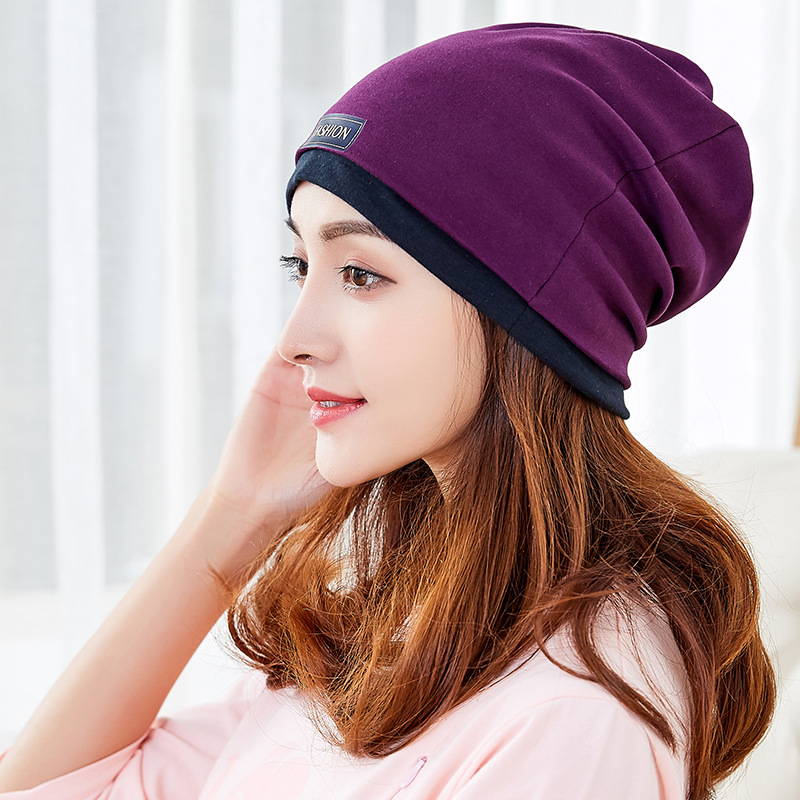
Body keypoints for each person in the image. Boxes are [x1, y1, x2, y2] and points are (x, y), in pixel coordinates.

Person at [0, 21, 775, 800]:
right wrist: (232, 517)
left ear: (524, 312)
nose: (295, 340)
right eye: (301, 265)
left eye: (360, 274)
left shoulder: (573, 712)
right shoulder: (388, 631)